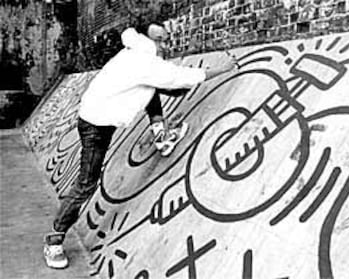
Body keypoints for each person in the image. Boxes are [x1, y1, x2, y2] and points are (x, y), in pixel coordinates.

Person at [43, 22, 238, 269]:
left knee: (155, 86)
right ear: (147, 39)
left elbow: (162, 80)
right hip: (95, 125)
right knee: (86, 185)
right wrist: (224, 68)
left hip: (100, 110)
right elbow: (185, 77)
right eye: (159, 40)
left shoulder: (135, 47)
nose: (164, 45)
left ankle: (159, 132)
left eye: (166, 39)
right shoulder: (145, 62)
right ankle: (54, 240)